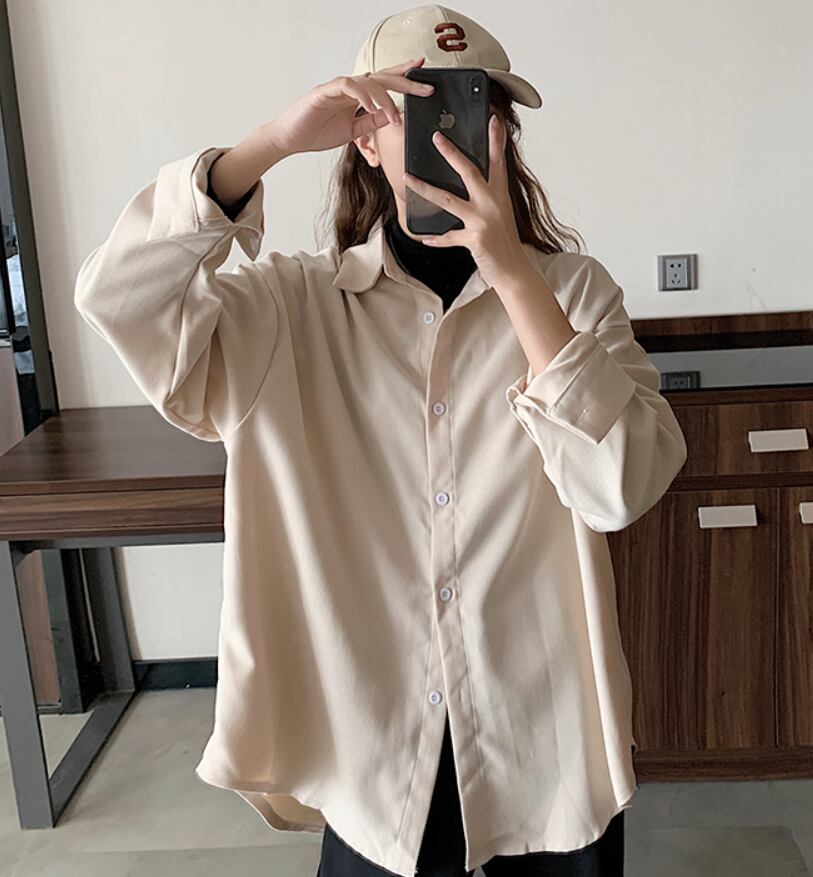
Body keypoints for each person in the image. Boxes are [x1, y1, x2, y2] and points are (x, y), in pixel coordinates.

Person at [74, 5, 687, 877]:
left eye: (479, 106)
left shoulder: (573, 296)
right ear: (363, 134)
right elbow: (117, 296)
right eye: (418, 106)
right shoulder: (289, 310)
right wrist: (267, 146)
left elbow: (620, 486)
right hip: (371, 758)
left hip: (544, 748)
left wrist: (514, 275)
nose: (454, 132)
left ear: (505, 134)